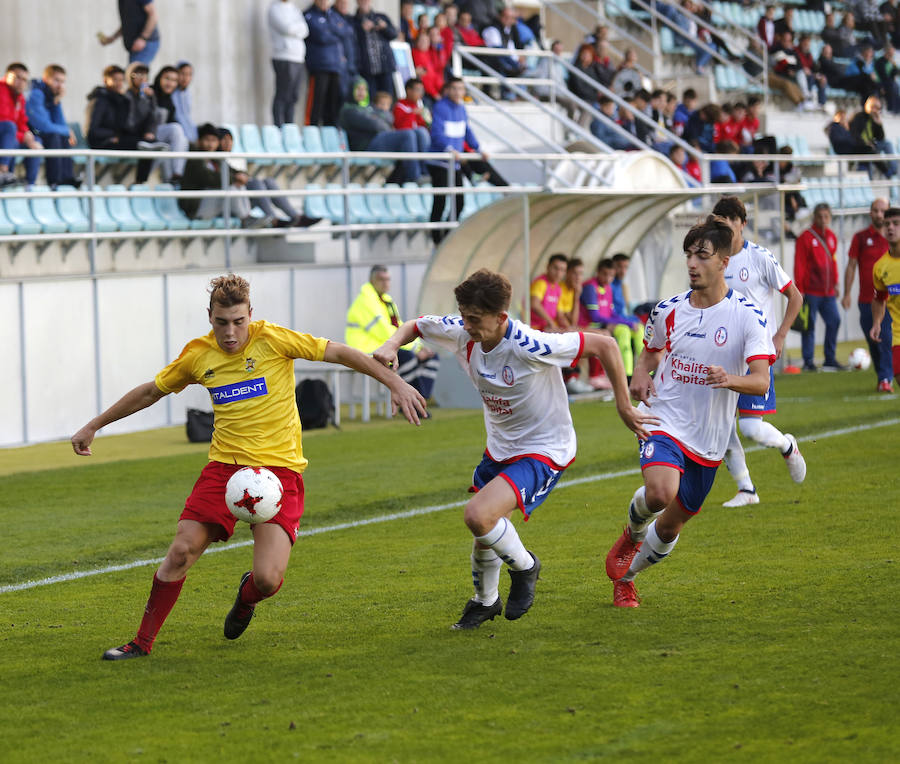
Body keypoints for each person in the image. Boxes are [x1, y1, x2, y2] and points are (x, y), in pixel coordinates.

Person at [71, 273, 426, 660]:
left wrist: (395, 382)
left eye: (239, 322)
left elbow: (339, 352)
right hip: (224, 469)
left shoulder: (273, 339)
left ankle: (246, 598)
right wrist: (95, 425)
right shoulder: (197, 355)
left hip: (280, 473)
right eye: (222, 322)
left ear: (250, 315)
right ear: (210, 316)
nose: (230, 332)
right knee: (180, 552)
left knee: (268, 580)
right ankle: (140, 643)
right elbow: (150, 391)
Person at [373, 268, 656, 628]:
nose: (467, 325)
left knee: (478, 515)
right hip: (500, 447)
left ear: (501, 317)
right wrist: (391, 344)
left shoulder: (530, 344)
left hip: (544, 449)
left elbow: (606, 345)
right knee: (485, 534)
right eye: (464, 317)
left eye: (475, 319)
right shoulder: (463, 330)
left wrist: (622, 405)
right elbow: (414, 324)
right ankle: (485, 601)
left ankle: (526, 567)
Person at [604, 219, 775, 608]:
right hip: (664, 417)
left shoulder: (748, 316)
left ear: (724, 262)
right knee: (661, 492)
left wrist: (729, 378)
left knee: (669, 526)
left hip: (710, 439)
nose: (692, 263)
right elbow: (648, 353)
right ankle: (630, 533)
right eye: (689, 255)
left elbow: (761, 382)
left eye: (702, 255)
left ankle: (627, 578)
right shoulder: (668, 310)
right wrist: (639, 376)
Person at [711, 197, 806, 508]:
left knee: (750, 427)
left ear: (742, 223)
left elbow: (795, 296)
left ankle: (787, 445)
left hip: (755, 355)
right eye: (719, 219)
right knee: (721, 428)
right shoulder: (716, 260)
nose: (723, 224)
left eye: (729, 219)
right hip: (723, 352)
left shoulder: (760, 258)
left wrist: (779, 335)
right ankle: (746, 489)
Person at [345, 265, 439, 400]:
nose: (385, 283)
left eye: (388, 279)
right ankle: (413, 401)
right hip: (366, 350)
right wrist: (415, 350)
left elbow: (401, 327)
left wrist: (419, 347)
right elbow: (384, 332)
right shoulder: (365, 302)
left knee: (432, 357)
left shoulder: (386, 300)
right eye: (381, 279)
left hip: (383, 346)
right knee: (407, 357)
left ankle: (421, 397)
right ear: (372, 281)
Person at [218, 127, 319, 228]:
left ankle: (295, 217)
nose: (228, 143)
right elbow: (220, 178)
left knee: (268, 182)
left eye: (230, 140)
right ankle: (273, 220)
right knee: (256, 184)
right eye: (224, 139)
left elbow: (235, 172)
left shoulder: (223, 162)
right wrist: (236, 178)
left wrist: (243, 176)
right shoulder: (213, 161)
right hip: (227, 204)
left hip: (240, 201)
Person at [844, 198, 894, 391]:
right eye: (876, 210)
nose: (879, 214)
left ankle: (885, 379)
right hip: (866, 300)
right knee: (874, 342)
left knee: (886, 338)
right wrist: (847, 293)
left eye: (883, 211)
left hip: (890, 300)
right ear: (870, 213)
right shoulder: (861, 238)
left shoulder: (894, 238)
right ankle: (884, 376)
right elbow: (851, 265)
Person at [85, 64, 165, 185]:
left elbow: (130, 123)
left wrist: (149, 99)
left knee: (147, 144)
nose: (119, 83)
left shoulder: (120, 99)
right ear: (105, 80)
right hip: (104, 141)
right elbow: (91, 131)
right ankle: (139, 182)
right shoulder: (99, 100)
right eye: (115, 79)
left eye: (121, 80)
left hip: (117, 138)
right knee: (143, 145)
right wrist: (113, 136)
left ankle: (140, 182)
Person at [178, 123, 262, 227]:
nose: (210, 144)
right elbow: (209, 178)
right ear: (199, 141)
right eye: (207, 140)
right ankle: (245, 218)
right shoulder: (195, 158)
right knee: (231, 187)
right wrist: (235, 178)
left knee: (238, 185)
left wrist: (242, 175)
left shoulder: (215, 159)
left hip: (211, 204)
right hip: (196, 208)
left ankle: (247, 216)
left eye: (214, 140)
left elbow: (233, 171)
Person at [339, 78, 423, 182]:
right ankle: (414, 177)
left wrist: (380, 119)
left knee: (420, 132)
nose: (361, 92)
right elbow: (375, 124)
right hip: (366, 146)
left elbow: (388, 117)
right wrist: (383, 122)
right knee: (407, 135)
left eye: (364, 89)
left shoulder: (368, 108)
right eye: (358, 89)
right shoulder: (349, 110)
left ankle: (422, 173)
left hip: (378, 140)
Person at [795, 203, 844, 372]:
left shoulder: (831, 237)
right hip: (810, 291)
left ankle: (829, 359)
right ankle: (808, 361)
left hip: (828, 291)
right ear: (814, 217)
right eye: (820, 216)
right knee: (809, 325)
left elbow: (834, 261)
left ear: (830, 218)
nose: (823, 220)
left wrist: (836, 282)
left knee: (835, 321)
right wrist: (799, 288)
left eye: (826, 216)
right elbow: (799, 264)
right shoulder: (805, 238)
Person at [25, 64, 79, 188]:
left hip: (42, 133)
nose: (60, 85)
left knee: (62, 137)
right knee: (55, 136)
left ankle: (67, 178)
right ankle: (55, 181)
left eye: (62, 82)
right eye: (56, 80)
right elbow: (43, 126)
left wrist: (57, 101)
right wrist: (67, 130)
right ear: (46, 79)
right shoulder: (36, 93)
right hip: (32, 133)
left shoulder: (52, 95)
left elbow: (59, 123)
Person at [304, 0, 352, 126]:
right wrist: (336, 32)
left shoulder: (332, 14)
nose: (324, 2)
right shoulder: (309, 14)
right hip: (319, 65)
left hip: (336, 66)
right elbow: (321, 36)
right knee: (317, 103)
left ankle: (330, 135)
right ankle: (312, 132)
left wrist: (331, 31)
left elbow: (347, 30)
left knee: (332, 105)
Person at [870, 207, 900, 386]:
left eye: (896, 224)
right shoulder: (881, 267)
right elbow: (879, 298)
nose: (890, 228)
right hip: (898, 333)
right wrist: (876, 323)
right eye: (887, 224)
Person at [0, 63, 42, 188]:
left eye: (24, 79)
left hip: (10, 136)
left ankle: (30, 185)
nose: (21, 82)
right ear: (7, 76)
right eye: (17, 77)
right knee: (10, 129)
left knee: (36, 141)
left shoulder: (19, 97)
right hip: (5, 134)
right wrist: (22, 135)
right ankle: (3, 171)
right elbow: (6, 122)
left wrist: (27, 135)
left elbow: (22, 122)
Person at [268, 0, 310, 127]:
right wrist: (296, 29)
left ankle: (289, 127)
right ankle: (279, 127)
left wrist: (295, 29)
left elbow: (305, 29)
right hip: (283, 56)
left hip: (298, 57)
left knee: (293, 96)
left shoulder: (294, 9)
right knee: (283, 94)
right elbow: (287, 28)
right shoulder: (274, 9)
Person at [151, 66, 190, 182]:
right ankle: (177, 171)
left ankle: (175, 176)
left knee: (183, 140)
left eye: (174, 80)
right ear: (159, 78)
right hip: (148, 133)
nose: (170, 83)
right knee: (176, 129)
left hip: (161, 138)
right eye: (167, 78)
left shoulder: (169, 101)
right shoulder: (150, 93)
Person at [353, 0, 397, 98]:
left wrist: (384, 27)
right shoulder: (354, 20)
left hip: (384, 66)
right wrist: (361, 30)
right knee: (371, 97)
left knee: (387, 97)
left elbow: (394, 34)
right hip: (366, 68)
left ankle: (385, 114)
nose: (364, 2)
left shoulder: (381, 17)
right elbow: (351, 40)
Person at [99, 0, 160, 65]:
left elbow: (153, 15)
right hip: (135, 46)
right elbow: (127, 24)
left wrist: (143, 38)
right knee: (132, 72)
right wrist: (112, 38)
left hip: (145, 44)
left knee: (135, 72)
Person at [529, 253, 568, 332]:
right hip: (536, 328)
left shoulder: (558, 288)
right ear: (548, 267)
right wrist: (551, 322)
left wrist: (569, 327)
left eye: (562, 270)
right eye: (555, 268)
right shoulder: (541, 283)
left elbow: (559, 314)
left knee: (575, 333)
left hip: (548, 327)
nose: (558, 273)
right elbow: (534, 304)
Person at [172, 61, 197, 143]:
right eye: (182, 73)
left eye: (189, 74)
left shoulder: (187, 94)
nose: (185, 78)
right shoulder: (170, 93)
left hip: (190, 135)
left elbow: (187, 117)